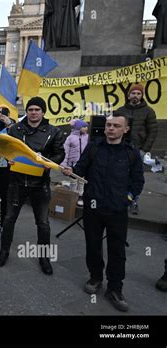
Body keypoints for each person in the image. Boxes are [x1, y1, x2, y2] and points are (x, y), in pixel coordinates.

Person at [62, 111, 145, 312]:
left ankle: (115, 288)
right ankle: (96, 277)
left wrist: (126, 199)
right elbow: (80, 170)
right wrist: (70, 171)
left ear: (126, 129)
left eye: (116, 126)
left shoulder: (132, 153)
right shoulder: (94, 148)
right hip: (93, 207)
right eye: (109, 125)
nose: (111, 128)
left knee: (117, 250)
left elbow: (138, 182)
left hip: (117, 210)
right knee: (93, 245)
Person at [0, 97, 65, 275]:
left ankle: (44, 258)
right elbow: (6, 148)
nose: (33, 112)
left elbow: (60, 153)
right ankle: (3, 251)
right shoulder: (14, 129)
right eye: (30, 109)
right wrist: (8, 158)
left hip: (40, 184)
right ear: (26, 111)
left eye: (37, 109)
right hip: (16, 182)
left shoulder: (54, 132)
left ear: (43, 112)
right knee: (9, 219)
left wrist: (48, 162)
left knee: (43, 223)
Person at [116, 83, 157, 215]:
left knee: (136, 176)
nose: (136, 96)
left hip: (138, 148)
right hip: (121, 147)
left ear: (142, 96)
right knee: (119, 174)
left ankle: (134, 201)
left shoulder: (148, 111)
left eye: (138, 93)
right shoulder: (120, 110)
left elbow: (153, 131)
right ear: (128, 95)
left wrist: (145, 149)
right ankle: (119, 198)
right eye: (133, 93)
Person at [0, 107, 15, 228]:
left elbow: (17, 138)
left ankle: (3, 223)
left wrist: (9, 125)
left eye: (3, 113)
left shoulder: (13, 126)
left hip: (7, 166)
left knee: (6, 196)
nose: (0, 115)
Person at [61, 119, 89, 206]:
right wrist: (63, 164)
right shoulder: (70, 138)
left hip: (83, 164)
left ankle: (80, 195)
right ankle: (73, 195)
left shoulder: (87, 137)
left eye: (86, 126)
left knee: (81, 181)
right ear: (78, 128)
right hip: (72, 163)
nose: (86, 128)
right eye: (84, 126)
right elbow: (65, 152)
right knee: (73, 180)